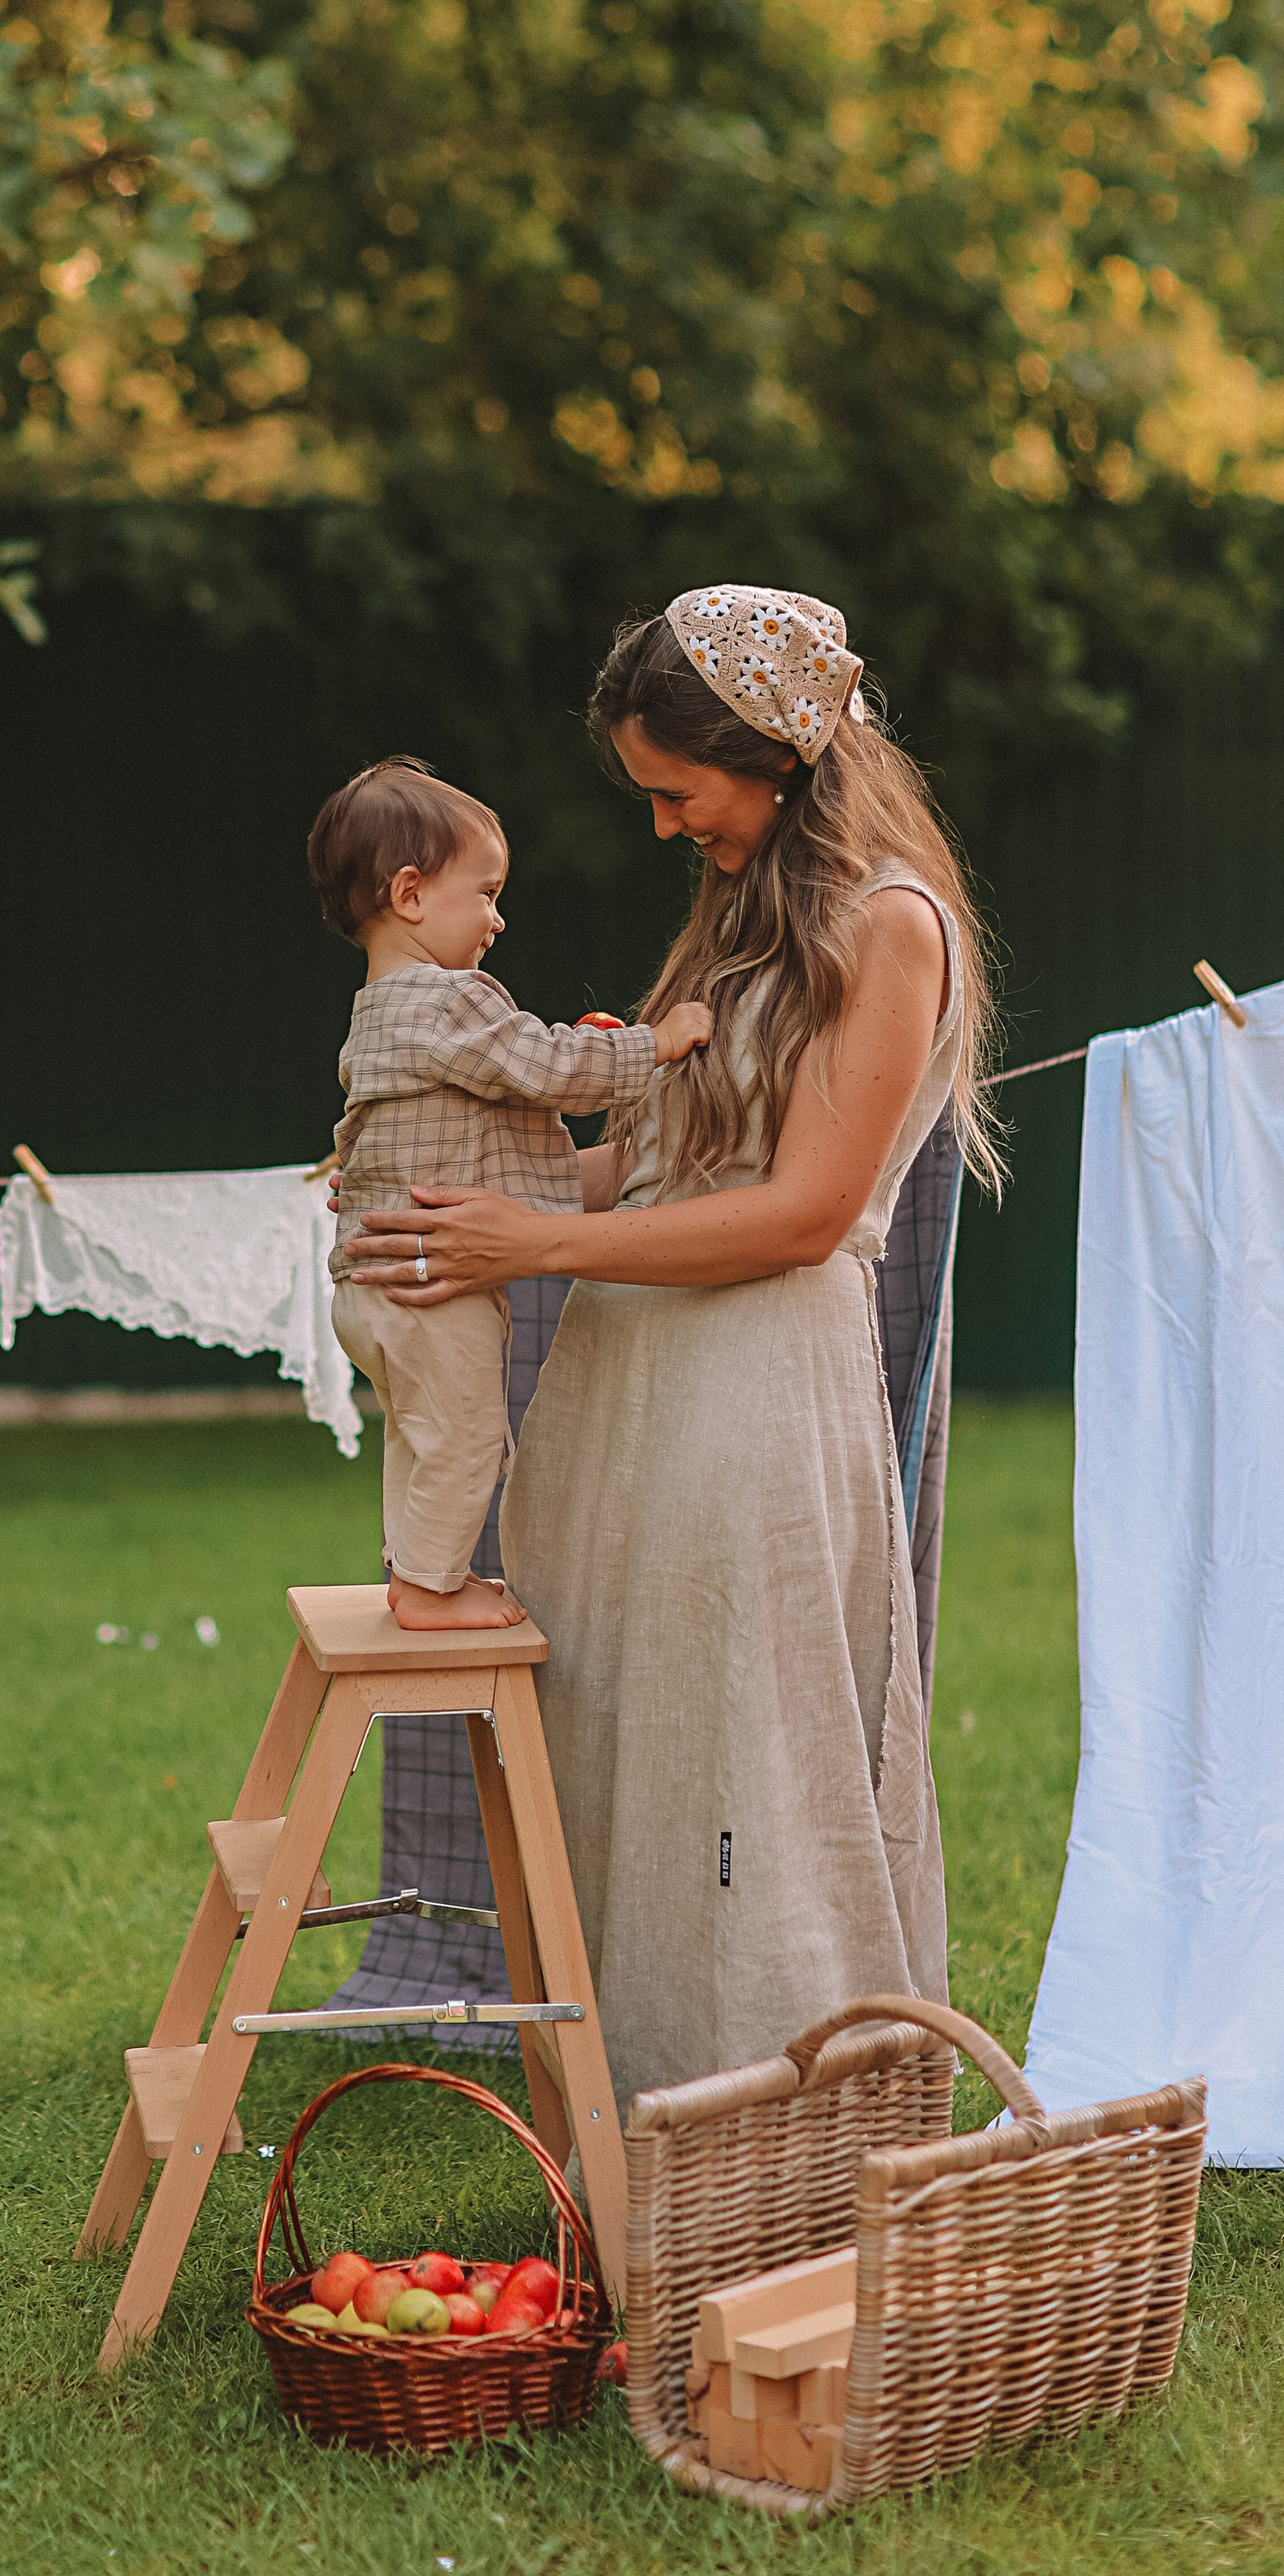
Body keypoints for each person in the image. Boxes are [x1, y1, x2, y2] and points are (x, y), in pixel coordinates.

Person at [338, 589, 1000, 2112]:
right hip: (632, 1406)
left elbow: (798, 1213)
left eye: (672, 791)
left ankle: (787, 2134)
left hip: (752, 1406)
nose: (659, 826)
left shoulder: (886, 924)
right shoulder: (746, 917)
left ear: (771, 759)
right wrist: (445, 1201)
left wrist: (537, 1247)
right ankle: (640, 2143)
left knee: (751, 1788)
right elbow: (660, 1178)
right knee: (636, 1787)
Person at [307, 756, 711, 1632]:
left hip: (368, 1287)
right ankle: (428, 1589)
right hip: (429, 1291)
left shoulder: (377, 1008)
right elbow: (544, 1065)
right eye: (484, 893)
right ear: (410, 894)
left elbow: (444, 1127)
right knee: (468, 1437)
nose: (497, 918)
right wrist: (654, 1045)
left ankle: (414, 1568)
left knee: (418, 1433)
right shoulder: (449, 1000)